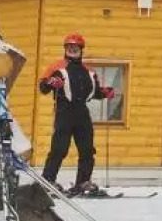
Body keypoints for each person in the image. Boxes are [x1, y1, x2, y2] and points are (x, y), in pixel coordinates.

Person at [38, 33, 111, 195]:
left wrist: (104, 92)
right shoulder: (57, 67)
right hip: (64, 111)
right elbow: (43, 87)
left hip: (82, 112)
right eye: (69, 47)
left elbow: (94, 92)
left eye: (75, 47)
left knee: (87, 150)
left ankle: (83, 183)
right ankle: (47, 181)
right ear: (65, 49)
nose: (72, 50)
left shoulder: (89, 71)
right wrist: (51, 82)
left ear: (81, 49)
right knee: (59, 148)